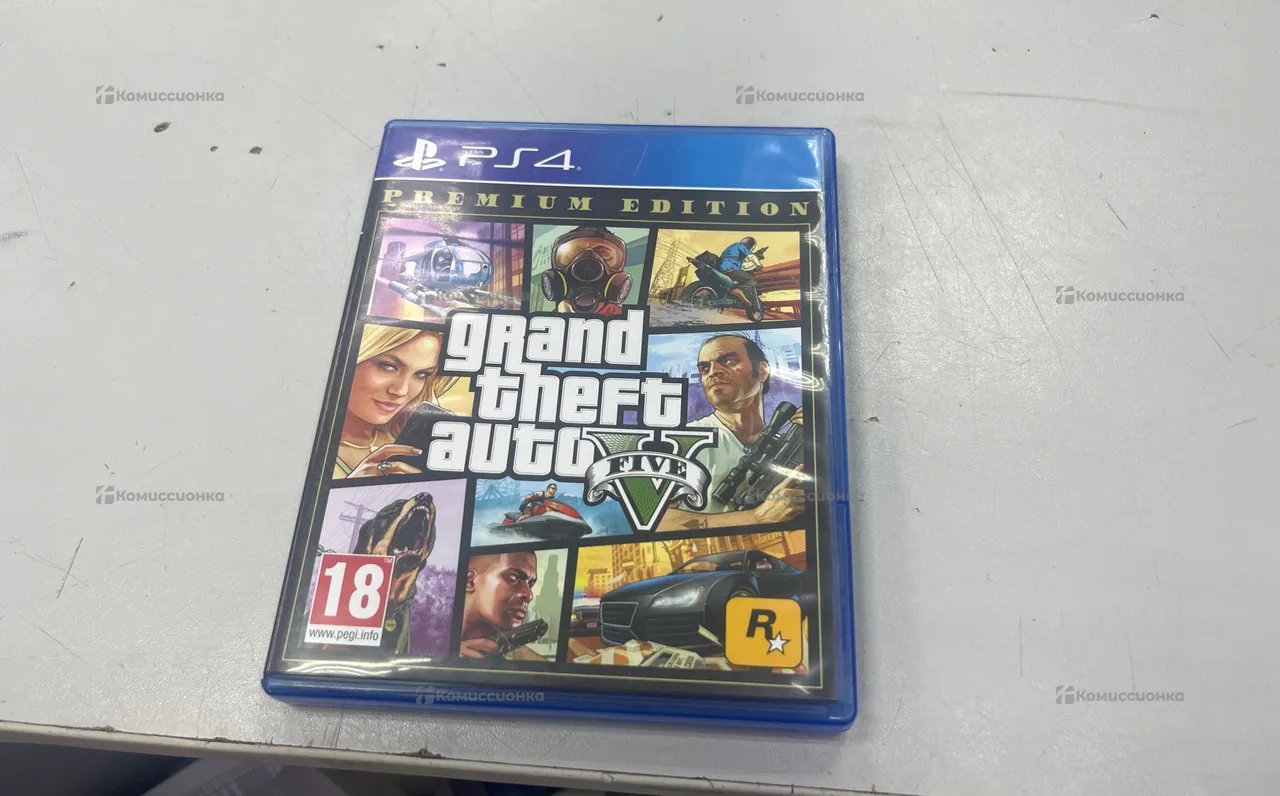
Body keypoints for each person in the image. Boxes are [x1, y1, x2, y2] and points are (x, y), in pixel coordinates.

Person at [657, 334, 806, 531]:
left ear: (762, 370)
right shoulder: (684, 440)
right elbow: (655, 522)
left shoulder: (791, 438)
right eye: (704, 368)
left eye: (728, 361)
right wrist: (756, 517)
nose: (713, 372)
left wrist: (818, 437)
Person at [334, 324, 457, 478]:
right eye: (387, 366)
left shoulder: (408, 449)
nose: (401, 391)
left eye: (421, 374)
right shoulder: (311, 444)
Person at [458, 552, 548, 661]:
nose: (529, 595)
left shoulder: (531, 662)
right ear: (469, 580)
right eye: (514, 578)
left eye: (530, 584)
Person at [715, 236, 764, 308]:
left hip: (724, 268)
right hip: (730, 268)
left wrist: (754, 268)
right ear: (749, 245)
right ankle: (738, 293)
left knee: (740, 278)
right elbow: (751, 256)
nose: (751, 249)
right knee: (751, 280)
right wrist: (759, 265)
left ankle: (734, 295)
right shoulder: (741, 246)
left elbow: (744, 266)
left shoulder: (735, 249)